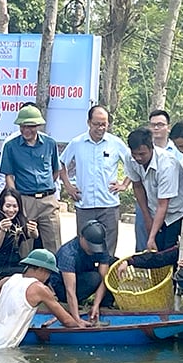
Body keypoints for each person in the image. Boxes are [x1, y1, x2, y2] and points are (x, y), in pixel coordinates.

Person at [0, 249, 86, 349]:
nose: (48, 277)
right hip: (5, 349)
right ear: (41, 269)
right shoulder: (39, 288)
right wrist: (81, 325)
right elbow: (67, 322)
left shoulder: (8, 280)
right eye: (48, 272)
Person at [59, 105, 130, 257]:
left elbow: (133, 163)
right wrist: (68, 187)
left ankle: (105, 279)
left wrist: (124, 184)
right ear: (89, 123)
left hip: (109, 206)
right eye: (97, 123)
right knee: (84, 247)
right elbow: (61, 163)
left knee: (108, 249)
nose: (100, 128)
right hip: (84, 204)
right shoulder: (77, 143)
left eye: (104, 124)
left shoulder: (115, 143)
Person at [0, 105, 61, 255]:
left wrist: (47, 190)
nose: (26, 130)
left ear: (38, 126)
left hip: (48, 199)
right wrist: (15, 198)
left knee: (54, 242)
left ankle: (55, 277)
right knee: (24, 243)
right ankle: (25, 275)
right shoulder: (10, 146)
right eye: (23, 126)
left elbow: (55, 170)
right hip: (25, 199)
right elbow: (8, 175)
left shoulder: (50, 143)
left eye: (30, 126)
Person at [125, 127, 183, 251]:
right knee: (155, 252)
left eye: (142, 154)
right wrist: (147, 217)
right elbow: (137, 186)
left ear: (151, 148)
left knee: (169, 251)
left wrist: (151, 236)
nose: (138, 158)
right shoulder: (129, 158)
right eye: (135, 154)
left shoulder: (167, 165)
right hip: (154, 208)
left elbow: (163, 204)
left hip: (176, 212)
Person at [48, 220, 117, 326]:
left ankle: (104, 304)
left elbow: (105, 279)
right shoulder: (68, 253)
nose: (93, 250)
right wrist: (77, 319)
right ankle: (76, 305)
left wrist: (96, 305)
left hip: (84, 275)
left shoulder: (101, 248)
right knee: (94, 278)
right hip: (62, 287)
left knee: (114, 264)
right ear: (82, 237)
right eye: (90, 245)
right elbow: (70, 290)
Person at [0, 188, 39, 284]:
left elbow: (33, 236)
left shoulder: (19, 221)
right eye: (8, 206)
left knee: (36, 274)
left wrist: (34, 230)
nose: (11, 210)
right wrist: (2, 231)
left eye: (15, 206)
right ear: (1, 206)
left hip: (15, 264)